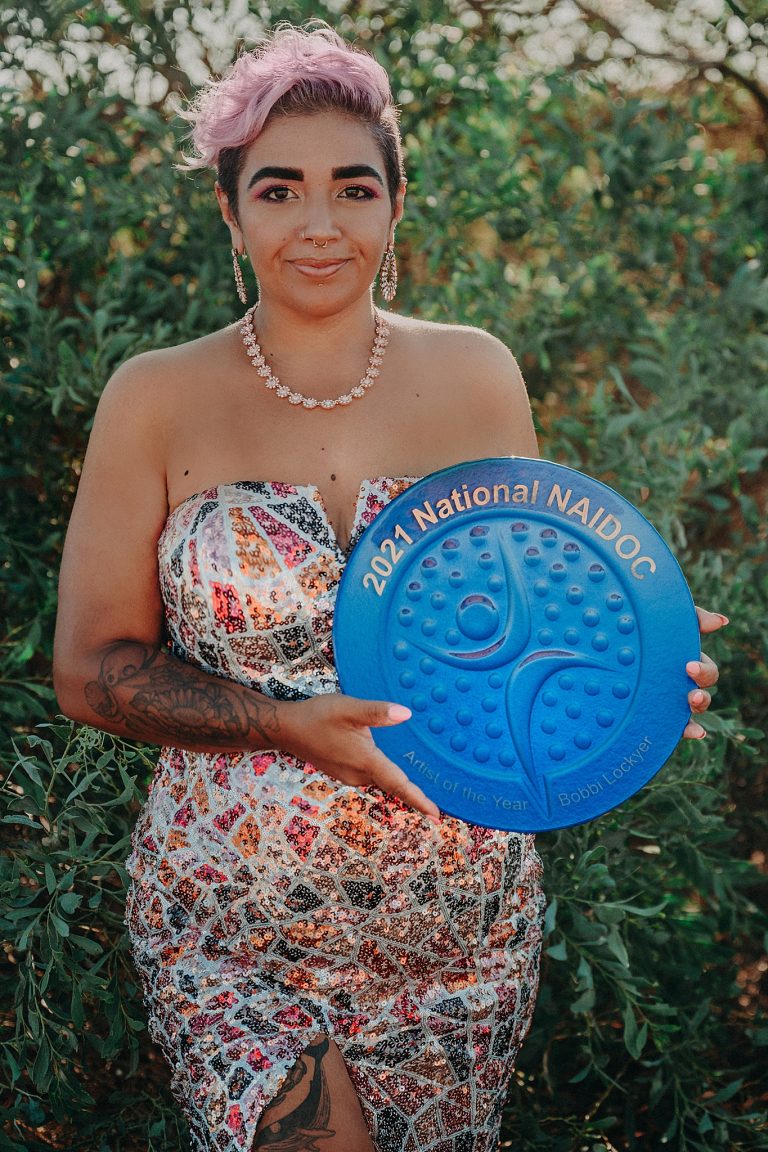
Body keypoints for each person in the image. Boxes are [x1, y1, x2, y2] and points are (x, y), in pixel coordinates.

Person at [53, 24, 725, 1152]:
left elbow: (527, 610)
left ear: (396, 204)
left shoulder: (476, 374)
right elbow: (89, 671)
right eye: (279, 189)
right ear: (231, 212)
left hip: (459, 931)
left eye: (353, 188)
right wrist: (285, 725)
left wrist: (639, 660)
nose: (319, 223)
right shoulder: (153, 398)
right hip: (233, 925)